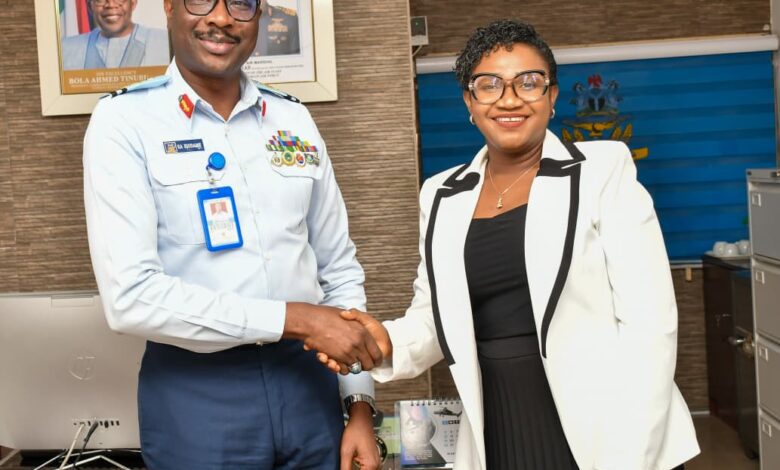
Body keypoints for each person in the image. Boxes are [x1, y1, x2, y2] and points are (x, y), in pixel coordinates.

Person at [328, 19, 701, 470]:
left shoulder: (602, 171)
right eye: (489, 85)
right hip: (499, 421)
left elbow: (650, 326)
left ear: (552, 96)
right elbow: (435, 316)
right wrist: (385, 341)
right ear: (469, 101)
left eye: (528, 82)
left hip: (609, 429)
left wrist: (630, 457)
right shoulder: (442, 194)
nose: (509, 99)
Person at [82, 0, 382, 468]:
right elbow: (131, 297)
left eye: (240, 3)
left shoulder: (292, 118)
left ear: (259, 14)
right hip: (197, 394)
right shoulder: (124, 121)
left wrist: (359, 403)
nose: (221, 18)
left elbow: (339, 269)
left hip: (310, 385)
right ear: (168, 7)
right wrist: (297, 319)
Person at [62, 0, 169, 70]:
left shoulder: (165, 43)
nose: (111, 5)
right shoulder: (66, 49)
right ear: (90, 6)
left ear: (133, 3)